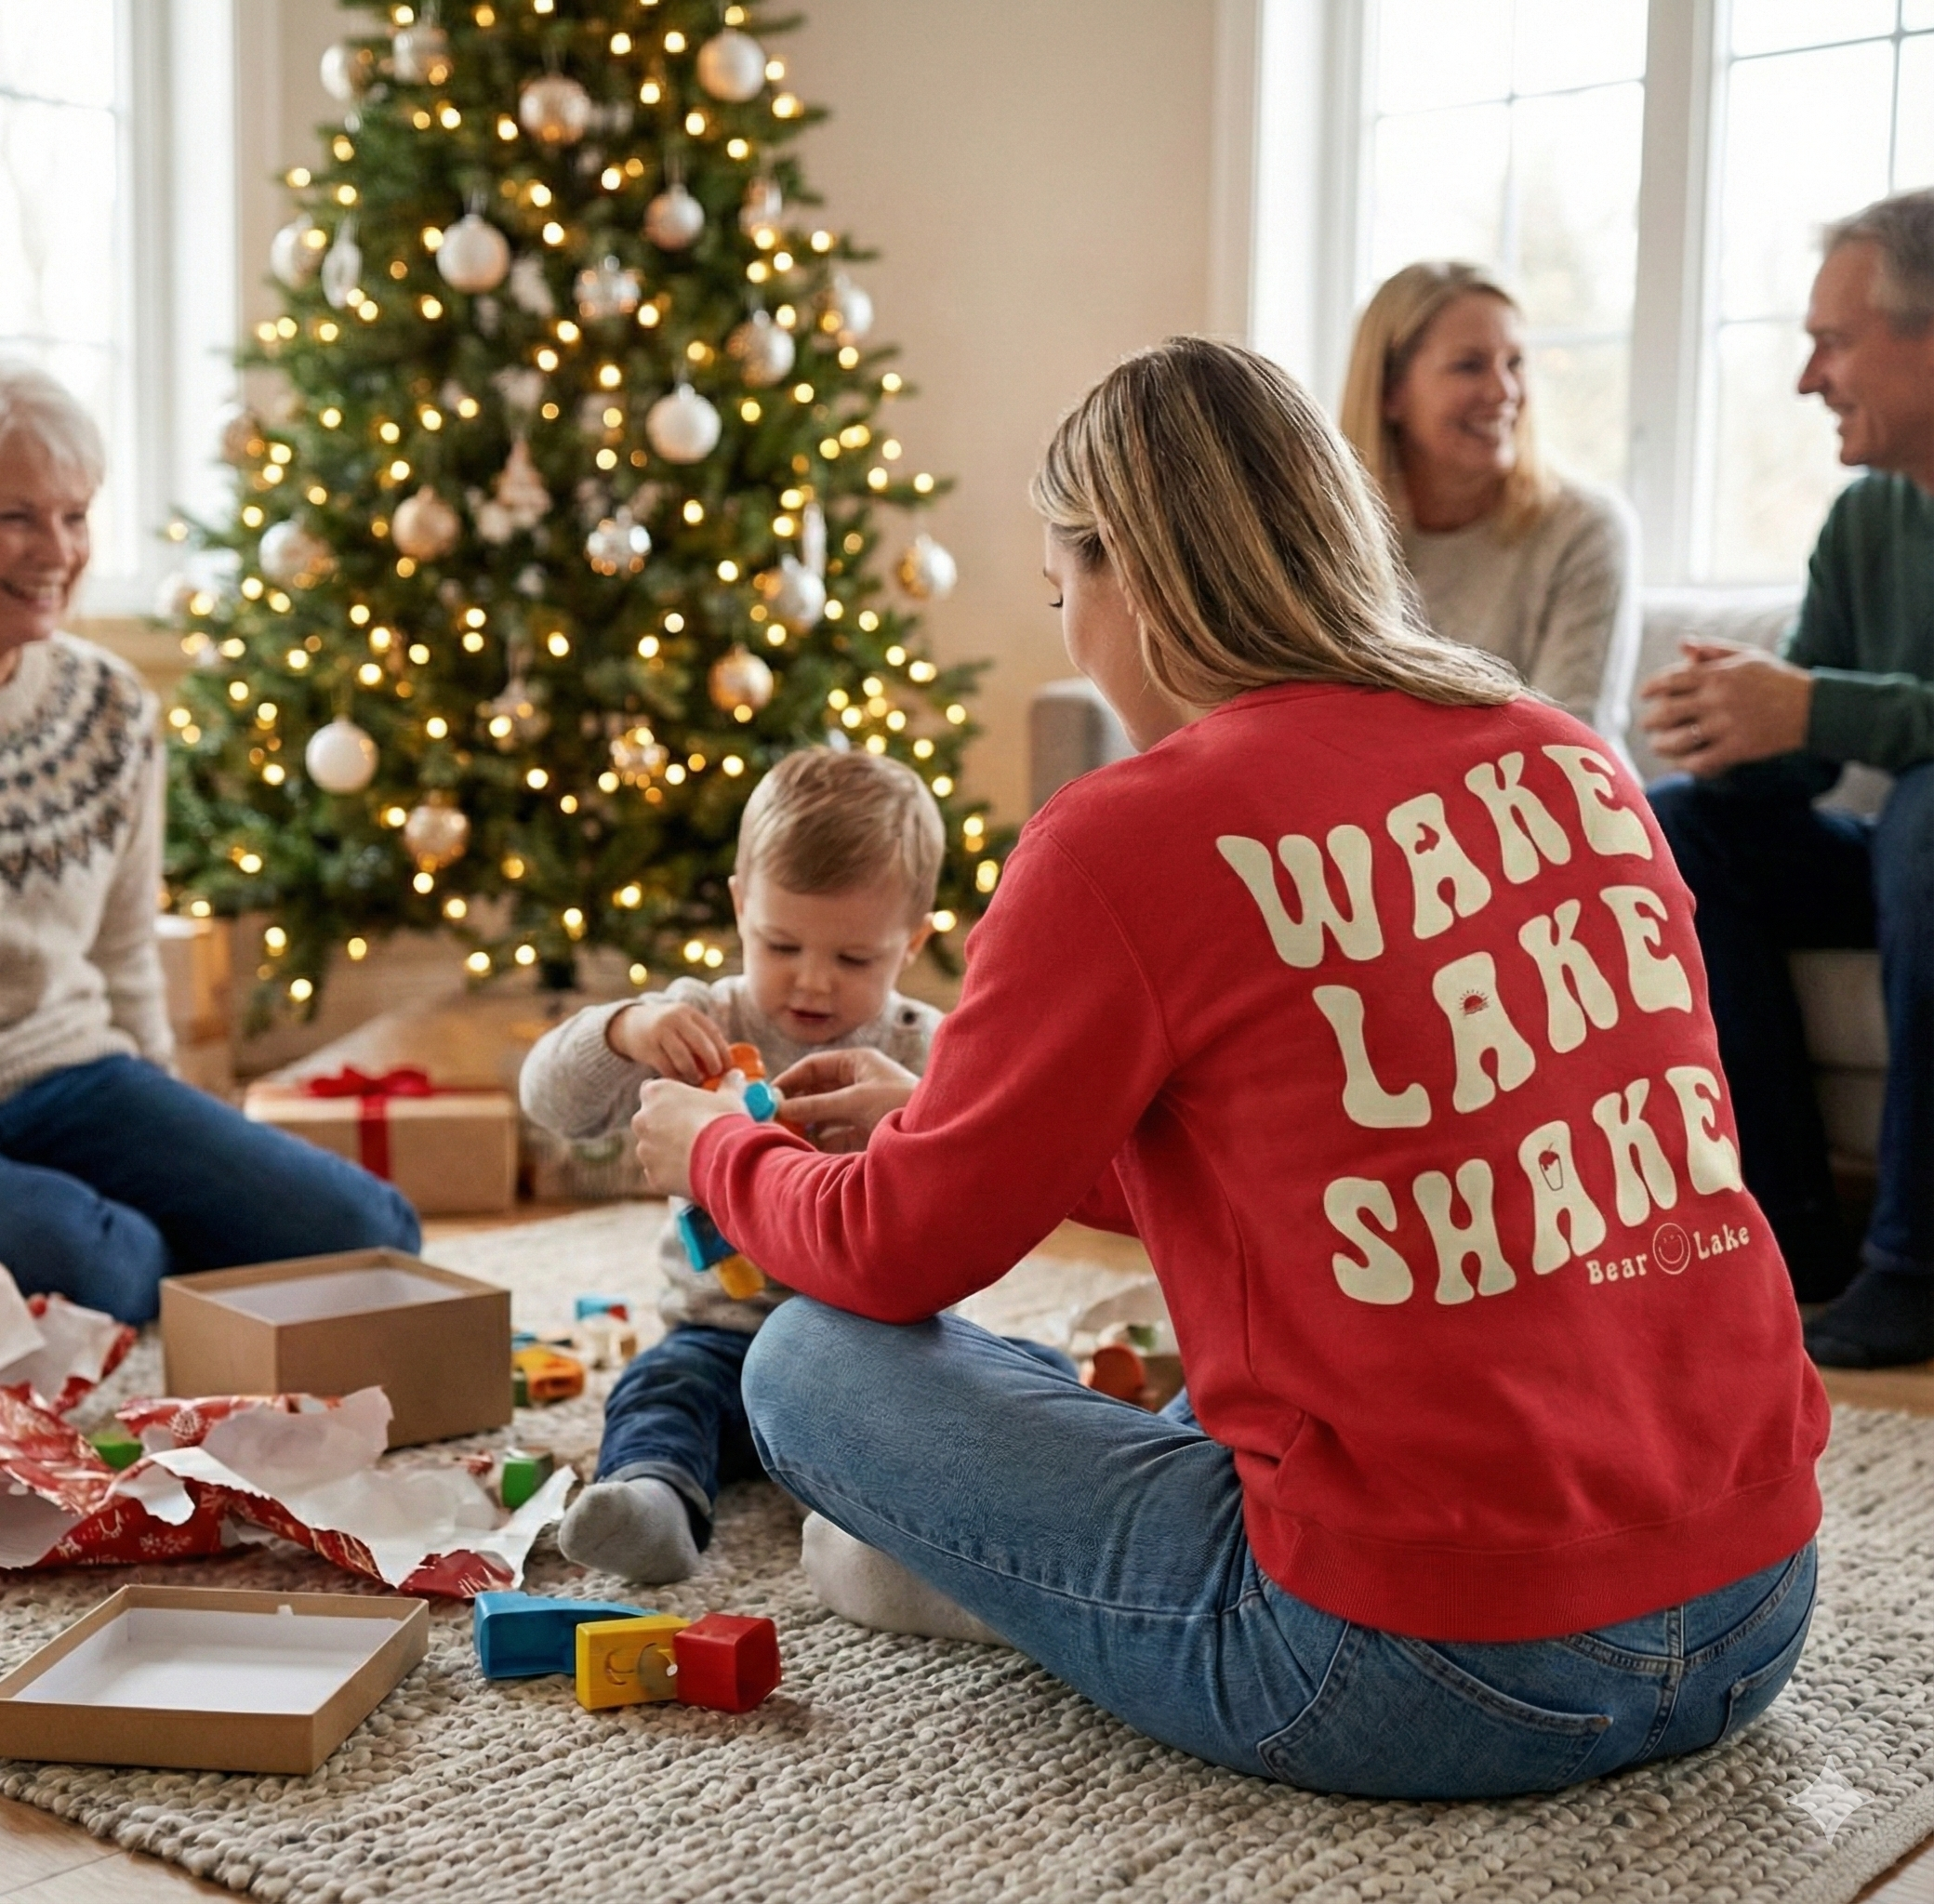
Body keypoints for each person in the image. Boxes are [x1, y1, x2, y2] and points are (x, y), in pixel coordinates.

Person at [624, 337, 1826, 1800]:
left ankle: (1047, 1598)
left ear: (1123, 569)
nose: (1075, 639)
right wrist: (952, 1118)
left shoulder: (1122, 834)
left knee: (810, 1359)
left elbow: (888, 1256)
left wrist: (710, 1146)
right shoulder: (1575, 759)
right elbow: (1363, 1163)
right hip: (1759, 1602)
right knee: (1231, 1384)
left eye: (1066, 597)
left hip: (1429, 1671)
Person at [522, 747, 1071, 1582]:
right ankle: (653, 1502)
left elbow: (996, 1183)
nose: (812, 982)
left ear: (913, 941)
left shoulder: (924, 1047)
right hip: (723, 1339)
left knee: (1030, 1373)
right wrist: (623, 1030)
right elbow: (549, 1102)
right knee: (659, 1390)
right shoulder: (696, 1018)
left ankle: (894, 1523)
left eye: (855, 960)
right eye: (780, 944)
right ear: (742, 906)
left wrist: (920, 1117)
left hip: (884, 1352)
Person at [0, 364, 420, 1323]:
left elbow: (121, 946)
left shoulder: (106, 706)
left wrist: (173, 1124)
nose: (55, 551)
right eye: (17, 517)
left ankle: (137, 1240)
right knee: (91, 1264)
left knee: (372, 1232)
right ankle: (134, 1250)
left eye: (75, 516)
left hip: (75, 1075)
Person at [1643, 189, 1934, 1365]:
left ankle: (1913, 1260)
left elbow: (1845, 714)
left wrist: (1812, 702)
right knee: (1677, 828)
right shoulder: (1865, 519)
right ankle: (1783, 1235)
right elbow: (1812, 748)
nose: (1809, 379)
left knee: (1927, 808)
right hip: (1904, 870)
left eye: (1831, 339)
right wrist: (1734, 724)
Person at [1339, 261, 1641, 745]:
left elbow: (1571, 744)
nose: (1505, 391)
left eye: (1515, 363)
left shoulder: (1585, 528)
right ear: (1390, 392)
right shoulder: (1335, 542)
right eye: (1469, 365)